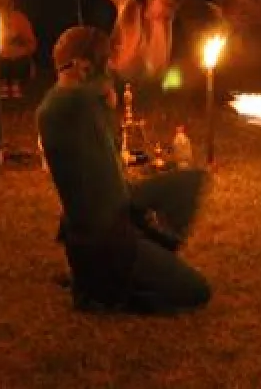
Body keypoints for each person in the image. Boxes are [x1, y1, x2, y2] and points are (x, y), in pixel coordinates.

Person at [37, 26, 211, 313]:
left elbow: (110, 142)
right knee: (196, 292)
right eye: (104, 64)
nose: (109, 73)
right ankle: (108, 295)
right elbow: (88, 93)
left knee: (189, 182)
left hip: (119, 204)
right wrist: (104, 89)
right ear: (83, 67)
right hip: (105, 238)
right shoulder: (61, 105)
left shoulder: (84, 103)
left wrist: (106, 100)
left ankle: (153, 251)